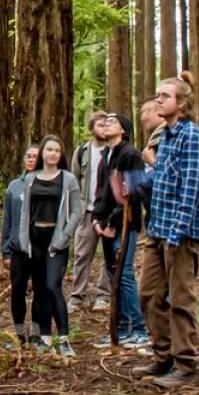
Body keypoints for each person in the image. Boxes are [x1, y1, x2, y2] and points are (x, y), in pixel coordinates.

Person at [136, 73, 199, 389]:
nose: (159, 100)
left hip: (179, 234)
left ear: (181, 103)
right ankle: (163, 354)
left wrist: (176, 233)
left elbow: (193, 189)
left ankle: (186, 364)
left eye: (165, 96)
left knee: (180, 297)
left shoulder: (193, 137)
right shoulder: (165, 137)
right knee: (149, 293)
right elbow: (164, 183)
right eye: (158, 95)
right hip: (157, 229)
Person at [2, 136, 83, 357]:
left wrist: (65, 236)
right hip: (34, 240)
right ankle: (45, 336)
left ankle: (64, 338)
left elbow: (77, 211)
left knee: (52, 286)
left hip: (56, 240)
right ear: (43, 153)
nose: (53, 154)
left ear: (61, 154)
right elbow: (24, 214)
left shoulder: (68, 179)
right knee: (39, 287)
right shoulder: (30, 179)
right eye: (49, 150)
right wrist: (23, 239)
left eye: (57, 150)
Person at [91, 113, 150, 351]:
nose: (106, 125)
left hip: (125, 223)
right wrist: (96, 219)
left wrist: (113, 221)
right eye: (105, 122)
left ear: (124, 130)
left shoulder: (130, 155)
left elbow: (132, 192)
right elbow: (101, 191)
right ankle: (122, 328)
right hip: (105, 225)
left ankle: (138, 329)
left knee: (124, 273)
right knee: (112, 273)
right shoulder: (106, 156)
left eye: (112, 122)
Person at [69, 114, 117, 315]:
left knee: (110, 256)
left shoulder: (114, 151)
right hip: (86, 212)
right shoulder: (82, 152)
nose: (103, 128)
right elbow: (74, 179)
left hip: (108, 213)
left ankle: (103, 296)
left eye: (107, 124)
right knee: (82, 255)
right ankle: (77, 296)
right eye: (99, 124)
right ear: (92, 128)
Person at [3, 144, 42, 347]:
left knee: (40, 290)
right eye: (28, 155)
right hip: (18, 248)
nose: (30, 159)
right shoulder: (14, 186)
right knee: (18, 290)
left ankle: (36, 333)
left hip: (39, 248)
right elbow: (7, 220)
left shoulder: (47, 182)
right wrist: (5, 251)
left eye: (35, 156)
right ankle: (18, 333)